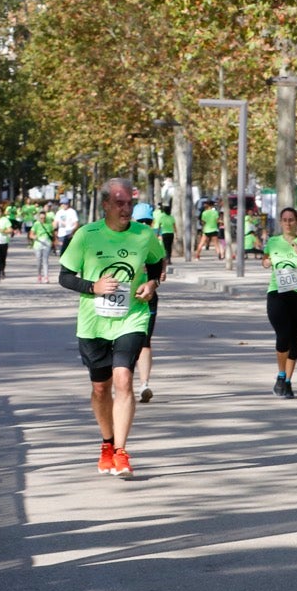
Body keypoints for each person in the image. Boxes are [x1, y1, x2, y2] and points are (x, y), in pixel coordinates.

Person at [55, 179, 165, 477]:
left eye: (129, 202)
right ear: (105, 204)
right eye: (119, 203)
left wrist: (152, 282)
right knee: (101, 388)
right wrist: (94, 286)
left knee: (123, 380)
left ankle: (121, 451)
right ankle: (107, 443)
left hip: (132, 317)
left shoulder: (144, 235)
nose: (126, 208)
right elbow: (64, 277)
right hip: (93, 323)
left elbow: (157, 263)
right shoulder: (87, 235)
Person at [263, 206, 297, 397]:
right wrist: (266, 262)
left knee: (294, 341)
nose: (288, 223)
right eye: (284, 220)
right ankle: (280, 374)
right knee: (283, 335)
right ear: (280, 222)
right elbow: (265, 259)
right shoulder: (273, 242)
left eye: (291, 220)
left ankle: (287, 381)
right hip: (277, 293)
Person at [31, 205, 56, 284]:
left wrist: (54, 242)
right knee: (39, 260)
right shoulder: (36, 224)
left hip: (47, 243)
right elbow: (31, 234)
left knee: (45, 260)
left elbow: (53, 234)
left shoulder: (49, 224)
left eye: (44, 218)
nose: (43, 219)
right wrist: (34, 237)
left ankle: (46, 277)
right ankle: (39, 275)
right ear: (39, 218)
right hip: (38, 244)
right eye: (41, 218)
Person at [154, 202, 176, 271]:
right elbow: (174, 226)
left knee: (165, 247)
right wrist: (176, 233)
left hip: (164, 233)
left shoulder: (162, 217)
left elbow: (159, 226)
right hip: (171, 233)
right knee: (169, 247)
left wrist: (157, 233)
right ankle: (169, 259)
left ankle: (166, 259)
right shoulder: (172, 217)